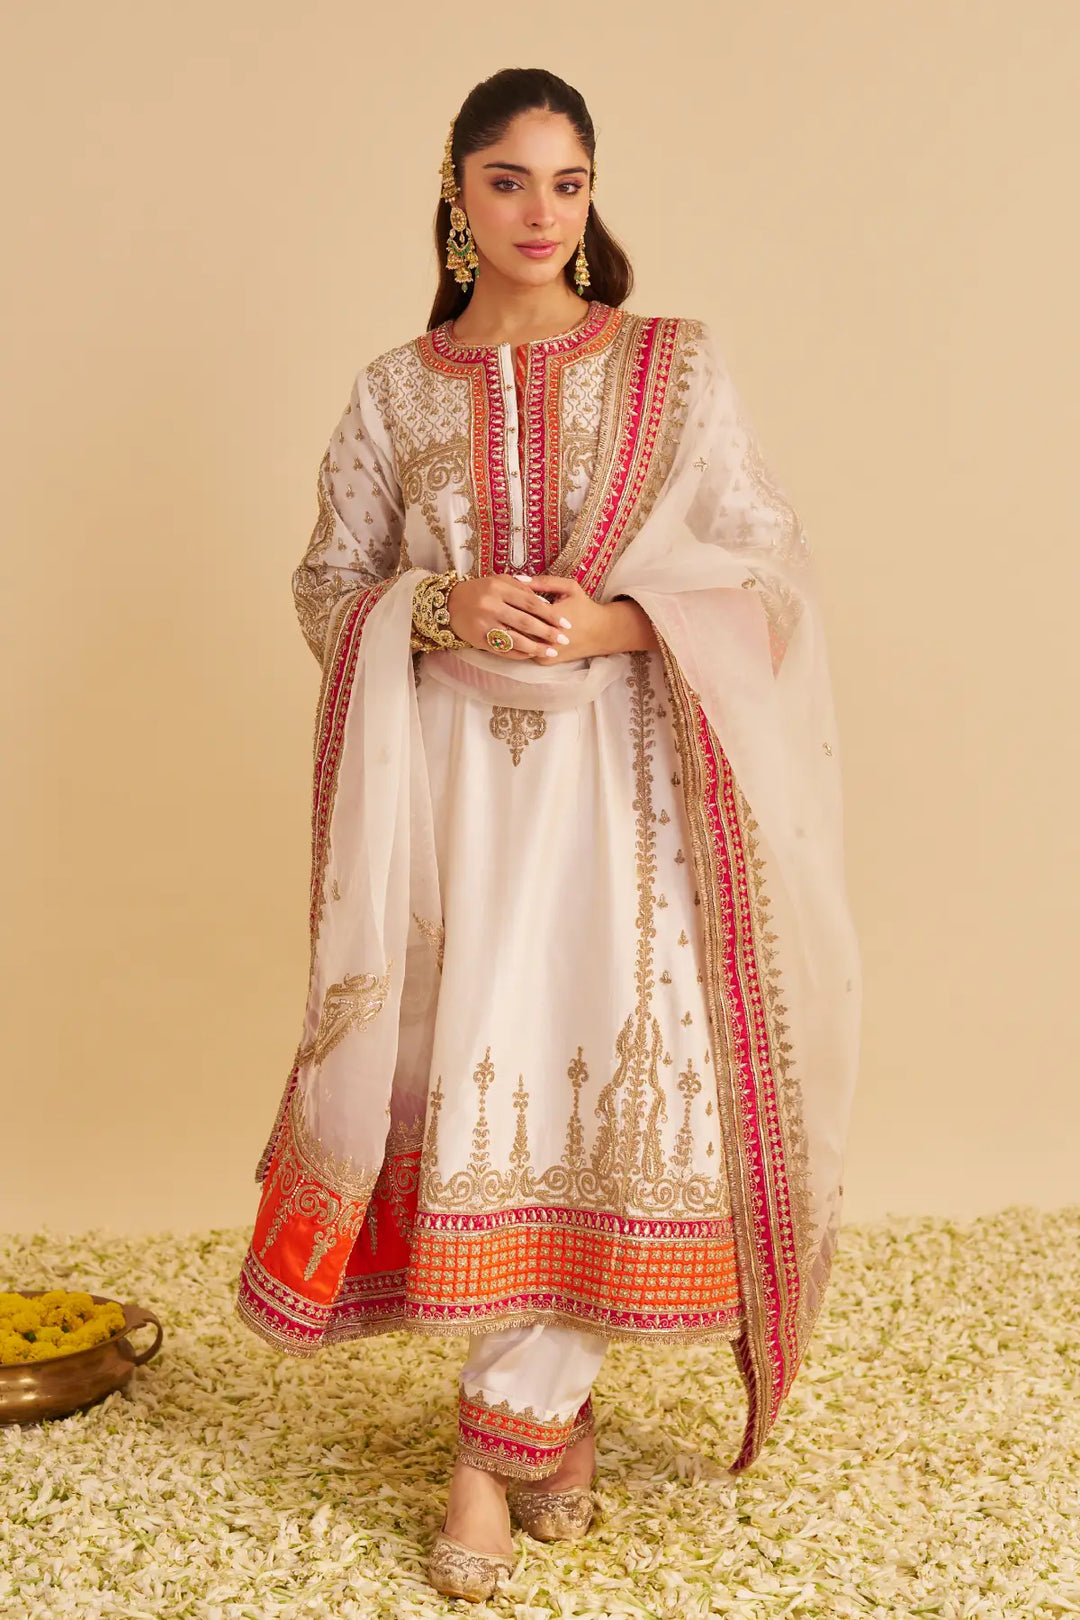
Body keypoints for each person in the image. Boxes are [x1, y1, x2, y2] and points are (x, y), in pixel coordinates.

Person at [234, 66, 862, 1604]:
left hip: (629, 796)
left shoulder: (675, 368)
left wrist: (625, 622)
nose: (540, 212)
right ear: (454, 191)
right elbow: (328, 585)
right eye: (509, 180)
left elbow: (771, 585)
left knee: (627, 1082)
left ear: (593, 194)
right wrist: (433, 605)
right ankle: (552, 1426)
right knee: (484, 1079)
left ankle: (490, 1440)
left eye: (568, 182)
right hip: (456, 796)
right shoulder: (395, 391)